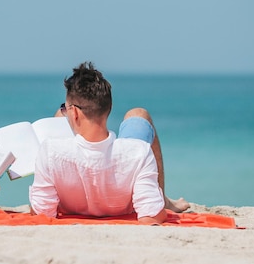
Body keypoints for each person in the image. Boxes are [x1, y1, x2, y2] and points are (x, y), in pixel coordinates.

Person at [29, 62, 190, 224]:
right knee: (138, 114)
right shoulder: (139, 152)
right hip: (123, 198)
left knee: (59, 117)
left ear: (75, 113)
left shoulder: (49, 151)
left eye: (67, 108)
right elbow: (152, 216)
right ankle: (162, 199)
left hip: (70, 204)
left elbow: (41, 213)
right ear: (109, 107)